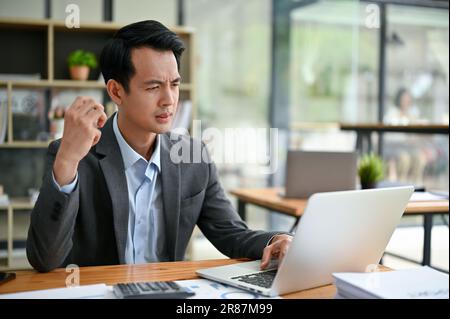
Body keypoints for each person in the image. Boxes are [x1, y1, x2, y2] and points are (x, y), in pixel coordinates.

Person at [26, 20, 292, 273]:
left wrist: (277, 239)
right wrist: (67, 162)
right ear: (116, 91)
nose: (169, 100)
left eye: (174, 84)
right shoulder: (74, 154)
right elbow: (45, 259)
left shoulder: (193, 156)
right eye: (153, 87)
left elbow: (232, 234)